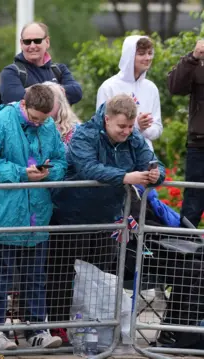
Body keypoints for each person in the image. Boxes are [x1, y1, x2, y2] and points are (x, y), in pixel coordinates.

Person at [49, 95, 165, 336]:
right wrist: (126, 177)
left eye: (130, 127)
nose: (127, 131)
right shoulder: (84, 134)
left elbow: (153, 162)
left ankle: (95, 329)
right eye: (121, 126)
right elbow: (88, 167)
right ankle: (58, 327)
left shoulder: (133, 138)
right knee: (63, 276)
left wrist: (155, 173)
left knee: (101, 278)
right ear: (107, 119)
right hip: (72, 216)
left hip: (108, 218)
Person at [0, 84, 67, 350]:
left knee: (35, 276)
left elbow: (61, 160)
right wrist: (20, 173)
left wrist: (49, 173)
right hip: (3, 214)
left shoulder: (48, 126)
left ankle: (36, 328)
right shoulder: (1, 122)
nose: (39, 123)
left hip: (37, 214)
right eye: (35, 118)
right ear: (24, 105)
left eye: (44, 119)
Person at [97, 35, 162, 151]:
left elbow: (157, 128)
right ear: (129, 56)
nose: (147, 58)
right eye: (141, 54)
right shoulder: (109, 87)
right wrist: (135, 124)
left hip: (145, 155)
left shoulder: (151, 88)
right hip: (116, 154)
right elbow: (100, 125)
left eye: (150, 53)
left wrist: (143, 128)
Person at [0, 22, 82, 105]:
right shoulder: (11, 72)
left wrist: (31, 92)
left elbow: (76, 92)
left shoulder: (59, 70)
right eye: (27, 42)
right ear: (21, 44)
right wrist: (58, 91)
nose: (32, 46)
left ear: (47, 42)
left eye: (37, 41)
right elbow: (14, 99)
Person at [167, 39, 204, 226]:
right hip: (199, 145)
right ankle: (185, 254)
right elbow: (175, 86)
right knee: (193, 205)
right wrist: (193, 57)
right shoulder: (197, 60)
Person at [43, 81, 80, 148]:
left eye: (50, 99)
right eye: (42, 99)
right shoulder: (32, 127)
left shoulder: (77, 131)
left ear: (60, 103)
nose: (45, 103)